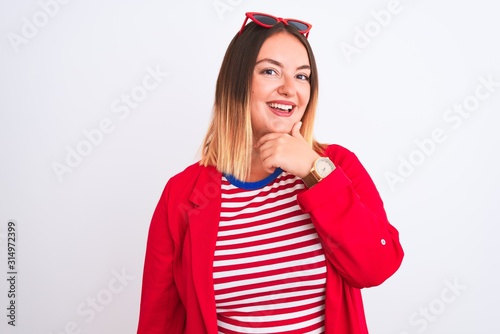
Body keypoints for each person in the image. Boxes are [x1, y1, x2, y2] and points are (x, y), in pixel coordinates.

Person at [137, 12, 404, 334]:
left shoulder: (335, 166)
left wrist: (312, 171)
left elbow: (376, 267)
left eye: (302, 76)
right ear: (236, 82)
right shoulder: (181, 193)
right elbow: (160, 318)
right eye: (270, 71)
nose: (290, 89)